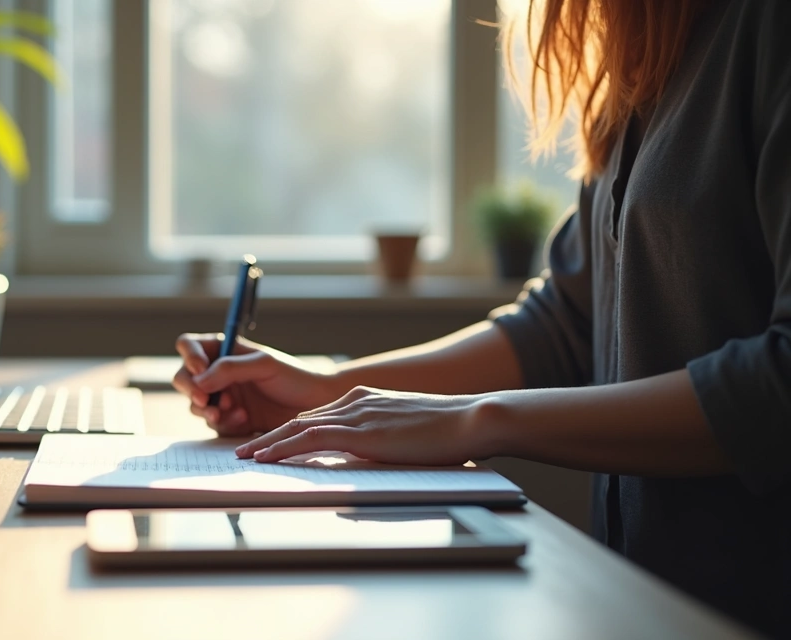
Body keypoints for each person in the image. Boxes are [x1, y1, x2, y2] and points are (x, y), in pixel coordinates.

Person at [172, 0, 791, 635]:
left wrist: (478, 419)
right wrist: (326, 395)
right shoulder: (645, 50)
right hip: (642, 602)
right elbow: (565, 324)